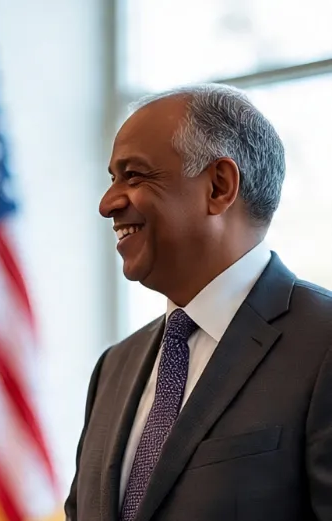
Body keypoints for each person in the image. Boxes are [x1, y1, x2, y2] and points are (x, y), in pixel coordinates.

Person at [64, 83, 332, 520]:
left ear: (219, 187)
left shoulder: (322, 343)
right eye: (113, 179)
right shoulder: (114, 367)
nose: (107, 204)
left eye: (134, 175)